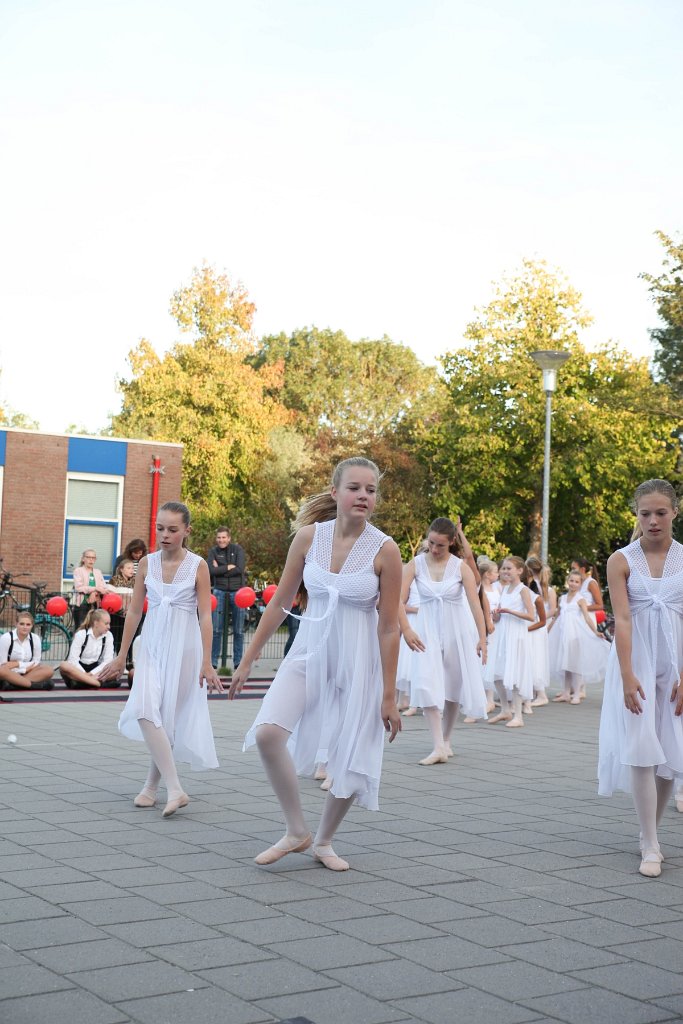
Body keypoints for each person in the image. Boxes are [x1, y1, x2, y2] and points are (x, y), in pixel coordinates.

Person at [228, 457, 402, 872]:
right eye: (355, 487)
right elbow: (281, 602)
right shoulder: (309, 538)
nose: (363, 495)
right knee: (269, 734)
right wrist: (247, 659)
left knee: (351, 754)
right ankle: (296, 831)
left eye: (371, 490)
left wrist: (390, 695)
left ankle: (323, 841)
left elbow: (390, 626)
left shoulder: (386, 549)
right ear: (335, 492)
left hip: (360, 662)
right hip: (309, 653)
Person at [100, 502, 223, 817]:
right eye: (160, 528)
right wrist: (121, 655)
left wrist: (207, 662)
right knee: (145, 709)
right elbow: (133, 611)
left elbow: (206, 617)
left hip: (186, 647)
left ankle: (151, 787)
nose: (165, 535)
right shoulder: (146, 564)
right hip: (152, 645)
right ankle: (175, 788)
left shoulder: (198, 565)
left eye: (172, 529)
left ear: (186, 530)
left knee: (166, 718)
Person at [598, 479, 683, 878]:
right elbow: (624, 619)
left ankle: (651, 827)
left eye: (660, 513)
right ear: (637, 514)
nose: (652, 521)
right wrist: (627, 674)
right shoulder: (622, 560)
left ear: (674, 512)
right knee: (642, 745)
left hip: (677, 663)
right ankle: (650, 842)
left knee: (669, 749)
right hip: (637, 663)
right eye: (645, 513)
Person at [399, 517, 488, 763]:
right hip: (425, 632)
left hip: (456, 631)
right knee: (426, 684)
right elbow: (398, 599)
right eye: (431, 543)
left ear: (451, 543)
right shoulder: (415, 564)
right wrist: (406, 629)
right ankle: (437, 746)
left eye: (441, 545)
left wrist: (482, 639)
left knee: (453, 687)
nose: (435, 549)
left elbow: (475, 605)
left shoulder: (461, 568)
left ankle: (446, 739)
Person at [484, 556, 535, 728]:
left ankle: (518, 716)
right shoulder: (504, 590)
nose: (505, 571)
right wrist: (497, 615)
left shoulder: (523, 590)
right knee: (498, 673)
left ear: (519, 571)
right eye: (503, 568)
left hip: (516, 636)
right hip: (503, 635)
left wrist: (510, 611)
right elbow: (500, 616)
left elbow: (531, 615)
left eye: (508, 568)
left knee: (514, 675)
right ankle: (505, 709)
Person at [548, 570, 609, 704]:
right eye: (571, 581)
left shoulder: (580, 600)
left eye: (577, 582)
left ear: (580, 584)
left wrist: (595, 631)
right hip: (563, 635)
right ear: (567, 581)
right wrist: (547, 630)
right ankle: (565, 692)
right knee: (565, 664)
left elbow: (587, 617)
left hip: (575, 635)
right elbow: (557, 616)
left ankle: (576, 693)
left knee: (575, 665)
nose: (573, 584)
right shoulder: (562, 598)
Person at [207, 526, 246, 669]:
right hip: (219, 591)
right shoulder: (213, 551)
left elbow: (240, 569)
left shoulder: (238, 550)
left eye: (224, 537)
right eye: (219, 537)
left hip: (238, 592)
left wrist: (220, 568)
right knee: (216, 629)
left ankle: (238, 662)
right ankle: (213, 661)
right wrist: (228, 567)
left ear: (229, 538)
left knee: (239, 630)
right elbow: (210, 571)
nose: (221, 540)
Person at [59, 609, 115, 689]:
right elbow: (73, 659)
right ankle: (97, 683)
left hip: (95, 670)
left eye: (109, 624)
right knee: (63, 665)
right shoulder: (81, 634)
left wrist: (91, 673)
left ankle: (83, 682)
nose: (109, 627)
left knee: (117, 670)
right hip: (78, 670)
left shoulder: (109, 636)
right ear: (96, 623)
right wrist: (84, 674)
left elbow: (107, 661)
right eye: (106, 624)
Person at [527, 556, 556, 708]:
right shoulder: (545, 588)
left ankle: (541, 693)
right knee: (534, 656)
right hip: (537, 624)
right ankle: (532, 690)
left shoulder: (540, 589)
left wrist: (539, 617)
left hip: (536, 625)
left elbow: (552, 610)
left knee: (535, 656)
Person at [0, 612, 55, 690]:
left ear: (32, 626)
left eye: (28, 624)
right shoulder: (6, 638)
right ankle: (32, 685)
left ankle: (15, 685)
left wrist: (17, 664)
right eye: (22, 624)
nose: (25, 627)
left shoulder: (35, 638)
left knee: (49, 670)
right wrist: (24, 667)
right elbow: (3, 665)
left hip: (28, 673)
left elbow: (36, 663)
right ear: (16, 624)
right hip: (9, 674)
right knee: (1, 670)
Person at [71, 550, 112, 629]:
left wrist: (94, 593)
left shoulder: (98, 572)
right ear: (83, 559)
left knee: (94, 628)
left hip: (95, 604)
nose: (91, 560)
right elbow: (79, 587)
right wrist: (96, 588)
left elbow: (103, 587)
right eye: (88, 557)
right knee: (81, 628)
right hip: (82, 604)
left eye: (93, 558)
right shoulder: (78, 571)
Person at [108, 559, 135, 654]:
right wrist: (121, 610)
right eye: (128, 568)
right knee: (116, 637)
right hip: (117, 614)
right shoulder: (114, 580)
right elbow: (110, 598)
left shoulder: (135, 581)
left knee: (129, 638)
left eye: (132, 568)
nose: (132, 570)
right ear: (121, 569)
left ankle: (128, 660)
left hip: (130, 614)